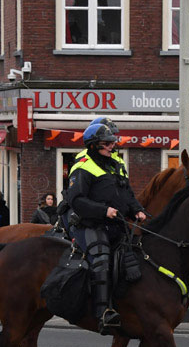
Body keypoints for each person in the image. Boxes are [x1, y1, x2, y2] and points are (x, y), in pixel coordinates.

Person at [61, 117, 146, 333]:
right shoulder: (82, 166)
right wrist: (103, 210)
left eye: (112, 141)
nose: (112, 145)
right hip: (90, 222)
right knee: (101, 257)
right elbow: (76, 200)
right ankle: (102, 313)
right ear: (93, 145)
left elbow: (126, 191)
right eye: (107, 143)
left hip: (115, 223)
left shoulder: (117, 163)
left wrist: (137, 209)